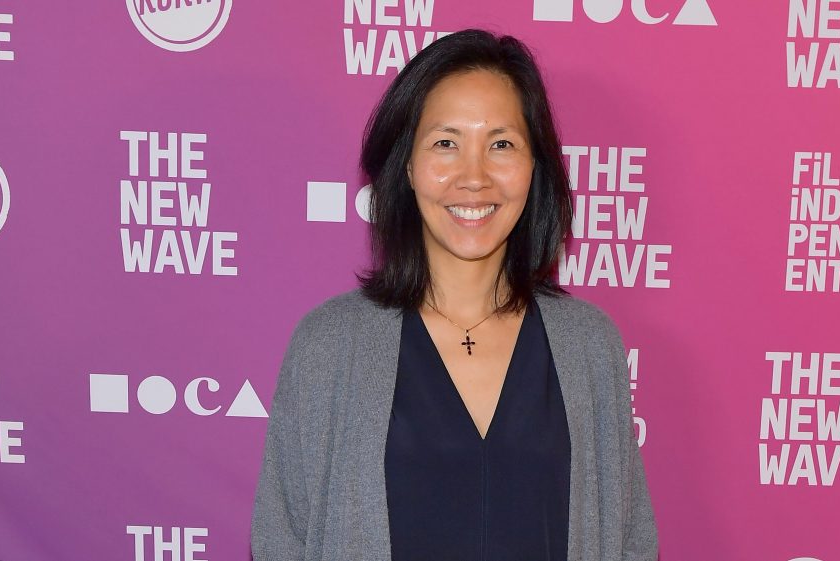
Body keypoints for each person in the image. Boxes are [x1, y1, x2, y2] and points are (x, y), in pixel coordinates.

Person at [251, 29, 658, 561]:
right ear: (407, 166)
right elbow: (281, 539)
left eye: (501, 144)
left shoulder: (589, 346)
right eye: (446, 143)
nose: (474, 177)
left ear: (535, 168)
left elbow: (630, 542)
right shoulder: (330, 345)